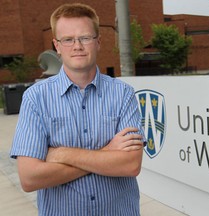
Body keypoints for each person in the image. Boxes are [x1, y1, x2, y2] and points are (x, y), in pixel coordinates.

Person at [10, 3, 145, 216]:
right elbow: (30, 178)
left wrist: (61, 154)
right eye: (68, 39)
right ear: (57, 45)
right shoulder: (36, 98)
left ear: (98, 41)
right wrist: (106, 153)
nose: (77, 46)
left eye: (85, 38)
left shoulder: (123, 94)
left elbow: (130, 165)